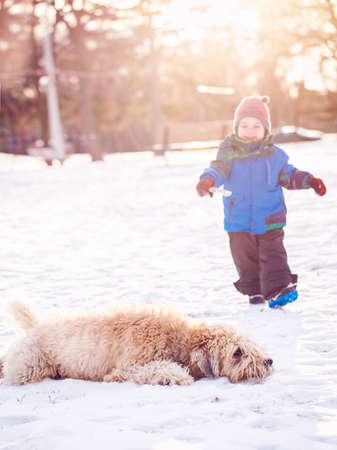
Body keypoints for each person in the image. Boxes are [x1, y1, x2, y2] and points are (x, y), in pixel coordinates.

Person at [196, 95, 326, 308]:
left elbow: (289, 175)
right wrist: (207, 180)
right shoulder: (228, 154)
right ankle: (255, 291)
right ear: (236, 128)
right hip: (238, 219)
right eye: (245, 125)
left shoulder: (275, 156)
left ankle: (278, 290)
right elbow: (218, 169)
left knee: (273, 256)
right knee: (245, 259)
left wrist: (310, 181)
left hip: (270, 218)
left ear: (266, 129)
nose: (250, 130)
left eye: (257, 125)